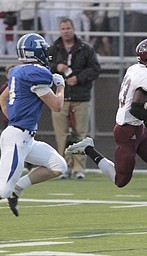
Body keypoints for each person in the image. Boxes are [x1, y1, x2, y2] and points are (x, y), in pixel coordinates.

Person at [65, 38, 147, 227]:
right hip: (127, 130)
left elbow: (139, 107)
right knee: (120, 180)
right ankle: (89, 149)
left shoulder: (136, 69)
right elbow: (137, 107)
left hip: (137, 127)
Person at [0, 33, 67, 216]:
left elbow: (3, 99)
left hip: (24, 137)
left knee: (58, 166)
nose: (46, 53)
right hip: (17, 138)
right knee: (2, 190)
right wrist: (61, 86)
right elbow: (57, 106)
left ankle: (18, 189)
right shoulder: (35, 73)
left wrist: (14, 120)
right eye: (43, 50)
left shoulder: (18, 72)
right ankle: (11, 191)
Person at [49, 18, 101, 180]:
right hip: (59, 97)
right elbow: (43, 68)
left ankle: (79, 168)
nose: (65, 31)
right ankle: (64, 167)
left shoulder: (85, 48)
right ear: (59, 30)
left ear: (74, 29)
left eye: (68, 28)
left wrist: (79, 78)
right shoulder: (53, 49)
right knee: (61, 134)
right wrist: (56, 67)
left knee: (81, 134)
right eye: (63, 28)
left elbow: (95, 69)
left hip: (81, 96)